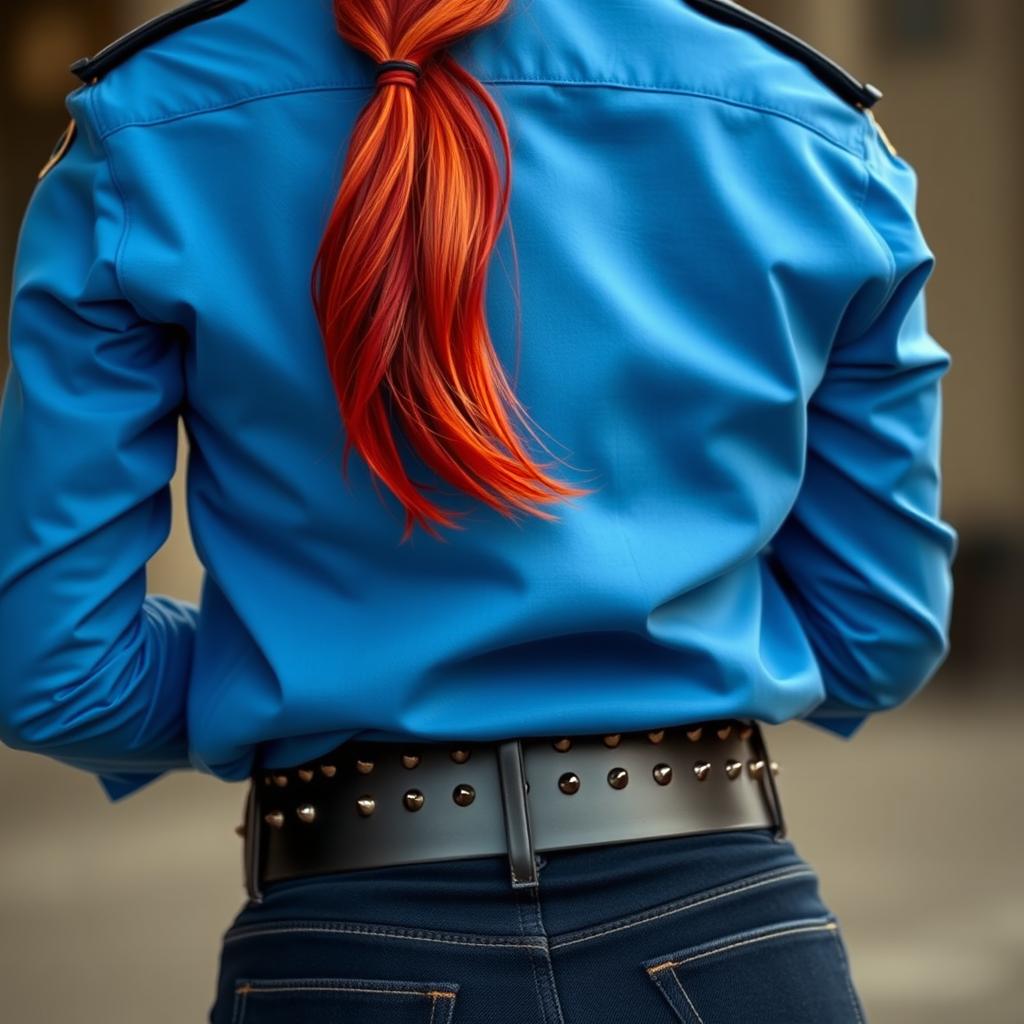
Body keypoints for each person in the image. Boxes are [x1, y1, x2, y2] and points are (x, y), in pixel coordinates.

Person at [0, 1, 958, 1021]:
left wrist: (291, 676)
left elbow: (57, 673)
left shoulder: (143, 123)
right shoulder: (805, 120)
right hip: (724, 938)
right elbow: (878, 631)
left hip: (343, 950)